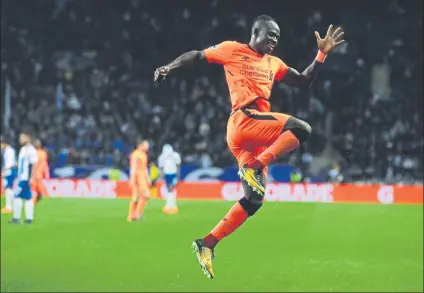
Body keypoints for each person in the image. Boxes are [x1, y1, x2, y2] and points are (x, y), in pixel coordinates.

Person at [154, 15, 345, 279]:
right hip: (244, 120)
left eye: (277, 38)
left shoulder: (273, 63)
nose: (274, 41)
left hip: (255, 138)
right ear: (256, 32)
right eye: (270, 35)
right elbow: (197, 56)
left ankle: (207, 243)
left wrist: (321, 54)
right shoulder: (232, 49)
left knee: (254, 200)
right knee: (302, 129)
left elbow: (303, 80)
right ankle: (254, 167)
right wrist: (168, 67)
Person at [9, 132, 38, 224]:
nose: (20, 140)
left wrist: (31, 177)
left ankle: (17, 218)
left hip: (25, 178)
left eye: (22, 138)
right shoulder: (22, 149)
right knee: (27, 197)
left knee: (16, 195)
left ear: (28, 138)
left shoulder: (32, 150)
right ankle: (29, 218)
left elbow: (33, 164)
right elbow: (21, 163)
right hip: (21, 177)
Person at [127, 139, 151, 222]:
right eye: (146, 145)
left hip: (142, 177)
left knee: (139, 196)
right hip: (137, 177)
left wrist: (147, 178)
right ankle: (134, 215)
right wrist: (132, 178)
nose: (147, 147)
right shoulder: (135, 154)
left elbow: (145, 167)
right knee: (144, 195)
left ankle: (134, 215)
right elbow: (133, 167)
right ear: (140, 145)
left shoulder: (144, 155)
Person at [158, 144, 181, 215]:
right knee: (170, 189)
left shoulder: (174, 156)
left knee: (170, 189)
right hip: (168, 173)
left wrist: (177, 175)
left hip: (172, 173)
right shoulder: (164, 157)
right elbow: (161, 167)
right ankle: (171, 205)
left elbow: (177, 165)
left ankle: (170, 205)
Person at [1, 136, 17, 214]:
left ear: (4, 143)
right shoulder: (10, 150)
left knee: (8, 188)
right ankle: (10, 206)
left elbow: (9, 163)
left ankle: (9, 206)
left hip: (9, 171)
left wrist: (4, 170)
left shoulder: (9, 151)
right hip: (10, 170)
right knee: (8, 188)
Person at [32, 139, 50, 204]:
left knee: (38, 188)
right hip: (35, 174)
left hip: (36, 174)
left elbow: (45, 164)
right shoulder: (42, 153)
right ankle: (37, 199)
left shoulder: (40, 153)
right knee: (36, 188)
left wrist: (47, 173)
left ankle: (46, 198)